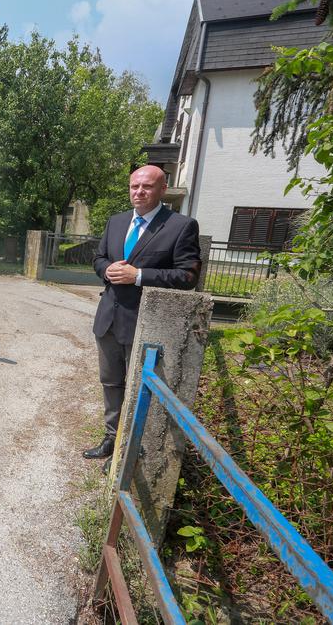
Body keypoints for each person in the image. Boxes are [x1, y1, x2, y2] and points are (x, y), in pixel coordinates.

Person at [83, 165, 201, 460]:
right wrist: (105, 269)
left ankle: (131, 449)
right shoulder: (117, 221)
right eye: (134, 186)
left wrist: (139, 275)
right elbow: (98, 257)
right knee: (110, 383)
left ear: (163, 190)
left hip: (144, 324)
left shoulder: (180, 226)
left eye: (147, 187)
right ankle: (111, 436)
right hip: (109, 319)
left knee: (139, 387)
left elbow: (187, 276)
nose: (139, 192)